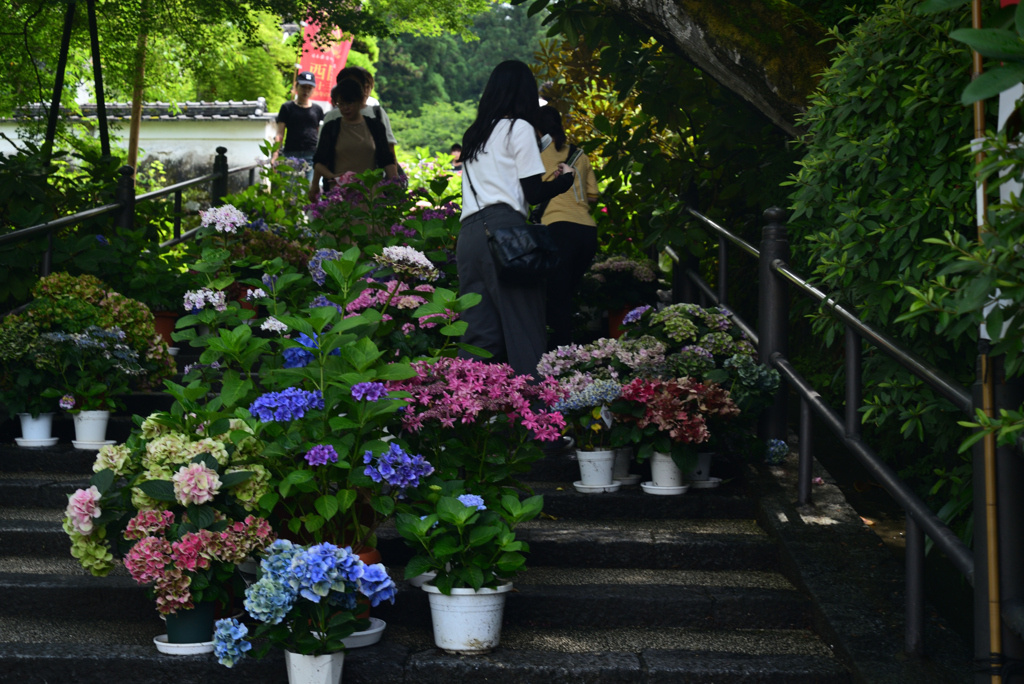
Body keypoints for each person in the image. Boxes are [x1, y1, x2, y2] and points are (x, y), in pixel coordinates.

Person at [458, 60, 577, 377]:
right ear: (525, 92)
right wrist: (565, 181)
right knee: (525, 329)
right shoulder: (519, 128)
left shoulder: (474, 134)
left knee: (479, 336)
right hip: (506, 233)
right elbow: (534, 192)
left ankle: (463, 402)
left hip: (469, 236)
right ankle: (537, 407)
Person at [535, 105, 599, 349]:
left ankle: (558, 356)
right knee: (565, 295)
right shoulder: (579, 154)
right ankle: (568, 351)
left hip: (557, 230)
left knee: (555, 299)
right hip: (587, 232)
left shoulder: (535, 154)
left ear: (536, 129)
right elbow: (593, 196)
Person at [309, 79, 397, 201]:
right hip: (340, 194)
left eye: (350, 103)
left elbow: (387, 160)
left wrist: (395, 186)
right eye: (341, 104)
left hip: (370, 194)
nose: (345, 108)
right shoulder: (331, 127)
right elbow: (319, 161)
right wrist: (331, 177)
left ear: (360, 100)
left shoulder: (375, 126)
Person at [322, 67, 398, 161]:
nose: (365, 91)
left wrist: (392, 169)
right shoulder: (332, 116)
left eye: (368, 87)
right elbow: (322, 154)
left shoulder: (377, 112)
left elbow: (389, 148)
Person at [274, 71, 324, 181]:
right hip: (291, 154)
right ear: (297, 86)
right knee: (290, 188)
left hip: (311, 154)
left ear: (313, 90)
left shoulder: (317, 109)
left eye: (309, 88)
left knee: (308, 187)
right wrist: (275, 153)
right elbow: (280, 133)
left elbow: (320, 134)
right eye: (303, 87)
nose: (306, 91)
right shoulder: (287, 107)